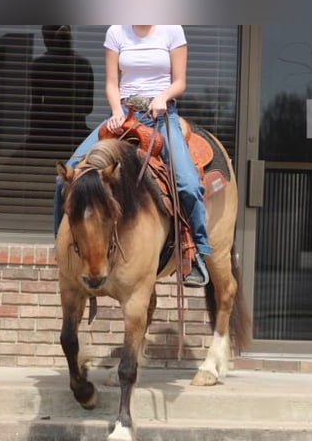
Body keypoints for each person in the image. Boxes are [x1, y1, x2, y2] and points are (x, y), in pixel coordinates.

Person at [54, 25, 211, 288]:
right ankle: (62, 251)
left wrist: (163, 96)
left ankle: (196, 254)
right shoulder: (116, 32)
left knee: (189, 183)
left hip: (161, 116)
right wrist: (116, 110)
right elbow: (112, 84)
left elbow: (180, 82)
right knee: (65, 178)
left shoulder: (172, 30)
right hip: (124, 115)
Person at [28, 25, 94, 154]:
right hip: (77, 131)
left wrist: (34, 134)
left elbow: (35, 106)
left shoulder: (40, 64)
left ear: (47, 39)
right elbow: (88, 107)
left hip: (48, 132)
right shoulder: (84, 64)